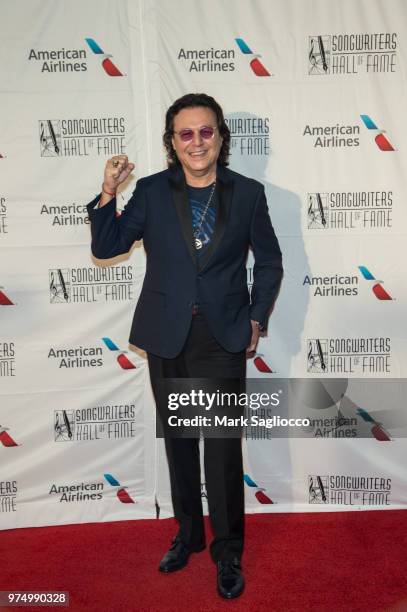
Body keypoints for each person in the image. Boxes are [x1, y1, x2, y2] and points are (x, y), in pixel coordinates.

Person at [87, 93, 283, 599]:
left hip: (222, 337)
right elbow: (107, 247)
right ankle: (189, 535)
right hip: (167, 334)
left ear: (220, 137)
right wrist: (108, 191)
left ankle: (228, 552)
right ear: (173, 143)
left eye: (206, 131)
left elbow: (270, 261)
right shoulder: (151, 191)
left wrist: (257, 317)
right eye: (185, 133)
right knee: (179, 444)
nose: (197, 142)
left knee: (219, 451)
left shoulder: (249, 193)